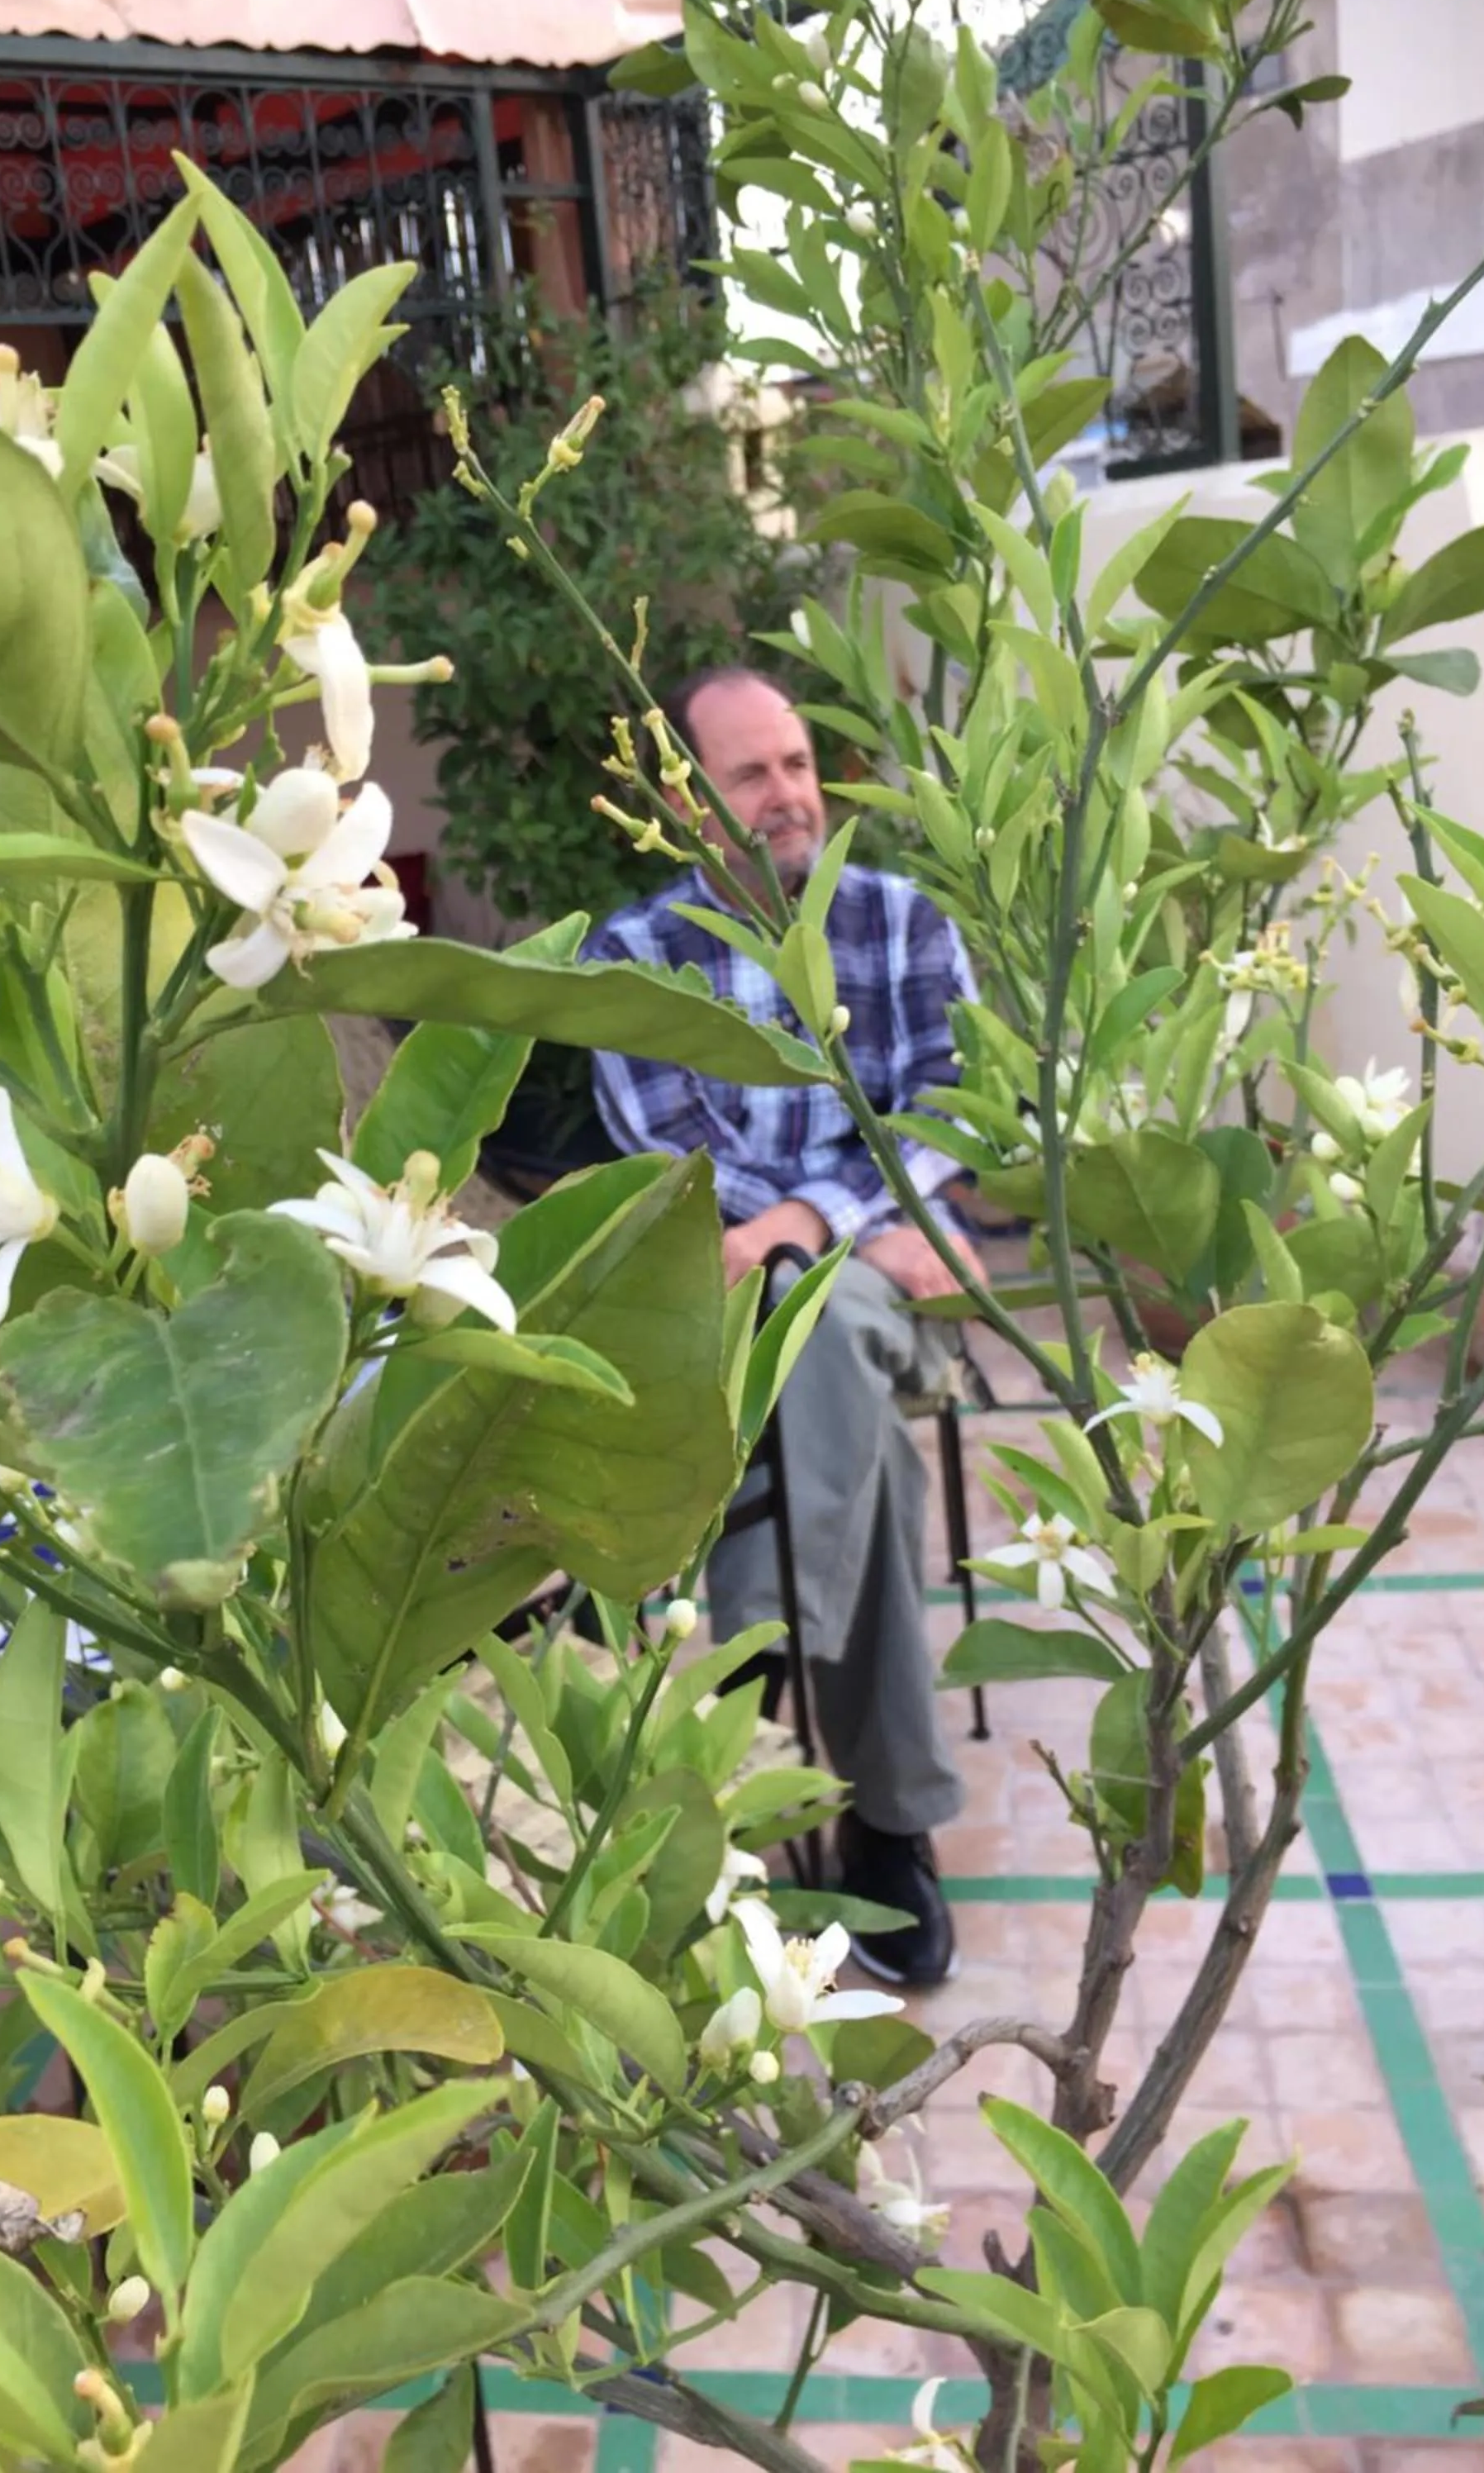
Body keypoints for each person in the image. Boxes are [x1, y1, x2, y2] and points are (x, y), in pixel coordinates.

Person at [585, 666, 982, 1987]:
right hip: (734, 1299)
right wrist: (853, 1214)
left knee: (823, 1339)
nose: (789, 794)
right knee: (834, 1393)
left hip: (855, 1295)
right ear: (688, 800)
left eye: (799, 764)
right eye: (752, 774)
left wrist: (805, 1224)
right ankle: (886, 1819)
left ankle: (751, 1670)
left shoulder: (899, 918)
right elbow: (669, 1156)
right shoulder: (639, 959)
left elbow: (954, 1111)